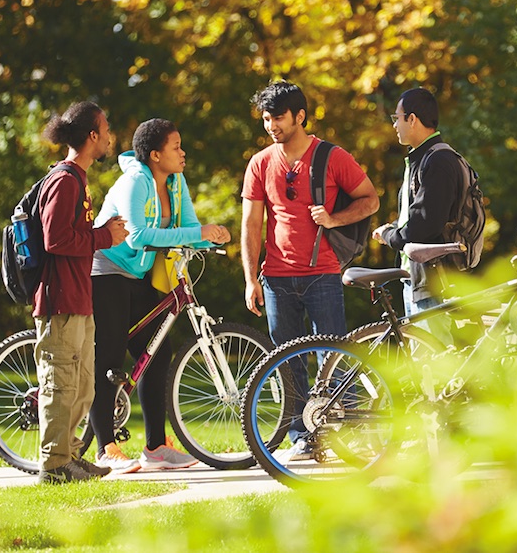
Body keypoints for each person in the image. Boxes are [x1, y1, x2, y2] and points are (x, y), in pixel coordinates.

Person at [241, 81, 378, 461]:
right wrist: (251, 278)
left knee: (333, 357)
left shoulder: (331, 157)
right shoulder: (260, 163)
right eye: (267, 119)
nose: (271, 126)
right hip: (276, 278)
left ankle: (350, 431)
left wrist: (334, 219)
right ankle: (303, 436)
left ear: (300, 116)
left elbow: (371, 199)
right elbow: (251, 224)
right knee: (287, 363)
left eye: (278, 117)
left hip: (323, 273)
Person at [88, 119, 232, 474]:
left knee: (157, 351)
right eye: (176, 147)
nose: (183, 153)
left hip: (138, 272)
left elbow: (187, 226)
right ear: (155, 155)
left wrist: (208, 237)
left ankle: (155, 447)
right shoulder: (133, 182)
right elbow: (136, 235)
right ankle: (105, 447)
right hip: (106, 269)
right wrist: (199, 232)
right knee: (108, 356)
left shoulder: (175, 181)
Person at [34, 101, 129, 484]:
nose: (109, 136)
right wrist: (104, 236)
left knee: (83, 384)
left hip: (79, 299)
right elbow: (55, 239)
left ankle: (69, 457)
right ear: (92, 135)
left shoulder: (79, 180)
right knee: (61, 384)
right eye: (105, 129)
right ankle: (53, 465)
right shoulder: (64, 180)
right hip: (60, 302)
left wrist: (101, 235)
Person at [373, 87, 466, 316]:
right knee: (423, 350)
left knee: (436, 351)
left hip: (435, 281)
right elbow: (417, 216)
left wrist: (389, 236)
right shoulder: (422, 158)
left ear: (412, 119)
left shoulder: (438, 161)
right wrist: (394, 229)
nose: (394, 125)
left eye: (397, 118)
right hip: (418, 279)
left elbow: (424, 226)